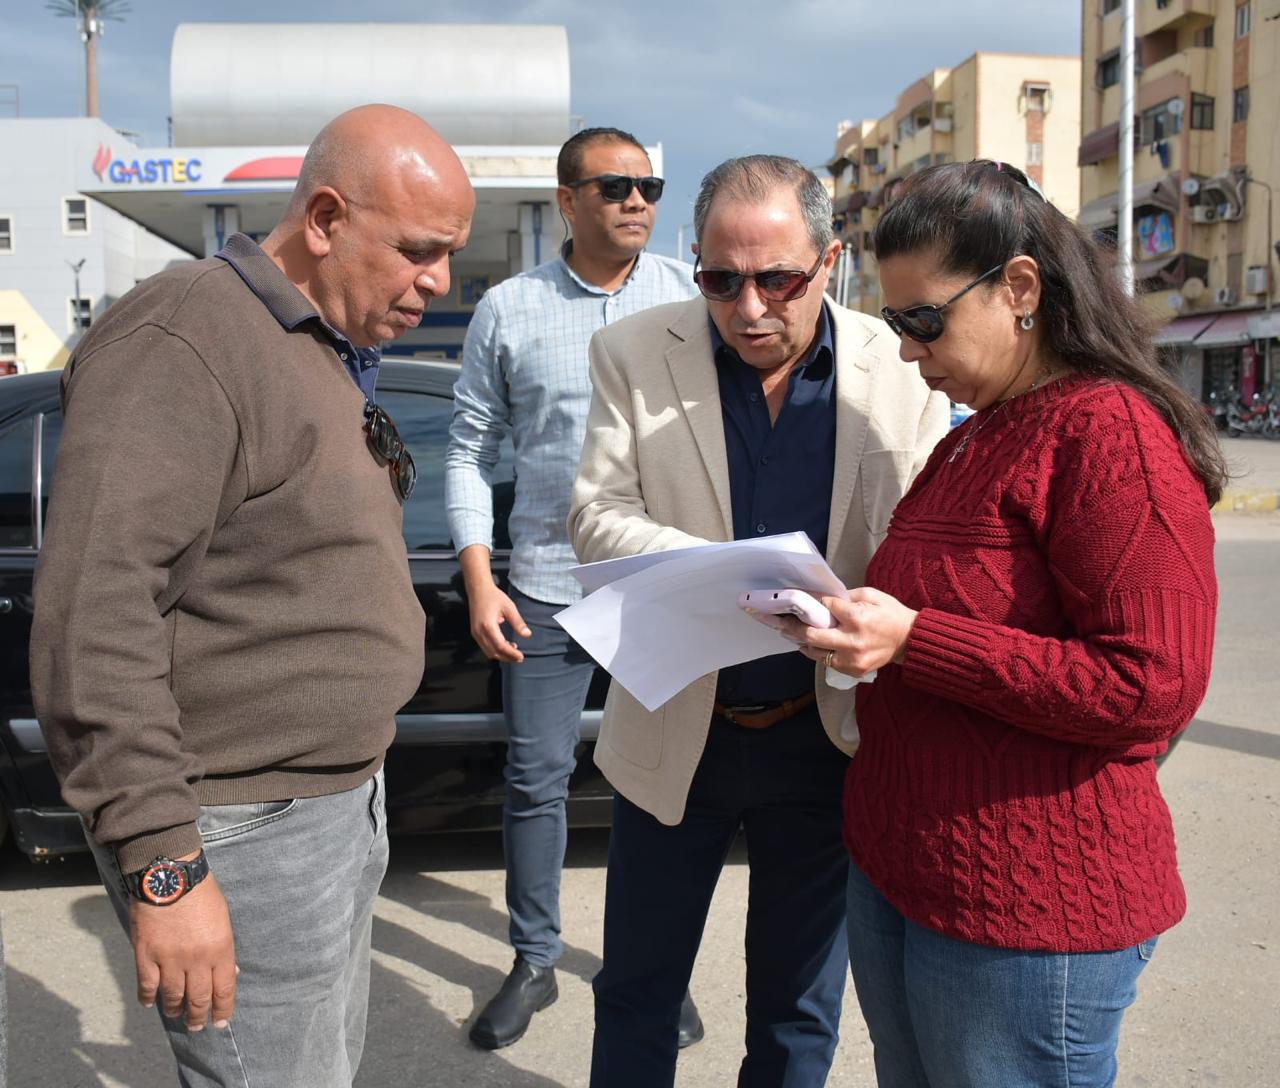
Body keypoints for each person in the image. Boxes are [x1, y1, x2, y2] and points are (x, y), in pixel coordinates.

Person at [30, 104, 474, 1087]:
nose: (439, 280)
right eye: (418, 250)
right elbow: (94, 615)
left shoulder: (313, 342)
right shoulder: (186, 335)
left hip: (329, 807)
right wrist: (164, 865)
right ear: (324, 218)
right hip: (240, 827)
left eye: (450, 253)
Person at [780, 160, 1225, 1088]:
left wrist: (916, 640)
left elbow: (1152, 685)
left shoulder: (1110, 435)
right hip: (907, 872)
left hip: (1031, 908)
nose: (909, 352)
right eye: (896, 325)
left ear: (1019, 287)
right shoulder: (977, 433)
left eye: (924, 320)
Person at [568, 155, 949, 1088]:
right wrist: (725, 574)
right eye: (720, 280)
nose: (748, 309)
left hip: (827, 736)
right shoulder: (632, 351)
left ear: (829, 262)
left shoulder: (902, 367)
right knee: (636, 993)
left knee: (798, 1008)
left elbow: (928, 538)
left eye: (778, 280)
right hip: (676, 726)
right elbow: (595, 514)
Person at [445, 125, 704, 1051]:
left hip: (658, 581)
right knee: (534, 780)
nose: (636, 201)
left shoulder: (691, 296)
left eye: (649, 187)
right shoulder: (509, 309)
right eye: (614, 186)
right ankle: (534, 960)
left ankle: (652, 967)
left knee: (658, 780)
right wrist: (480, 580)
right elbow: (469, 449)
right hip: (545, 588)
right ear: (567, 200)